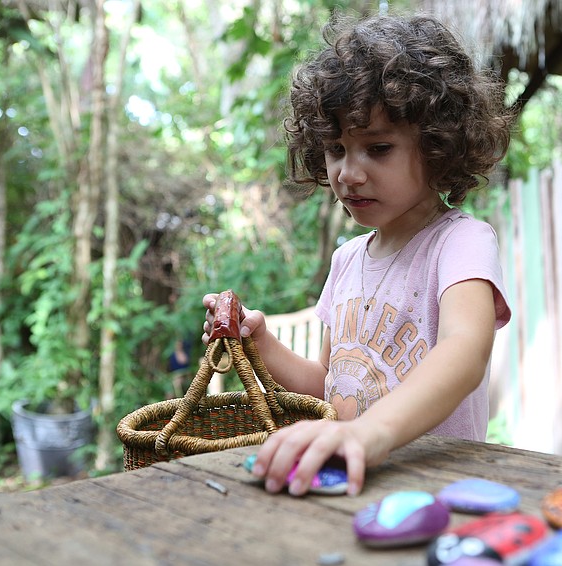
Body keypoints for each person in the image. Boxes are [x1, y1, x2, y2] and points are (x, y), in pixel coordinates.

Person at [202, 12, 513, 496]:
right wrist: (260, 344)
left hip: (435, 489)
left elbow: (465, 350)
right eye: (335, 149)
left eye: (379, 148)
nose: (348, 173)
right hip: (350, 484)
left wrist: (369, 433)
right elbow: (328, 386)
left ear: (438, 146)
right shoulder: (346, 261)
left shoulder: (460, 242)